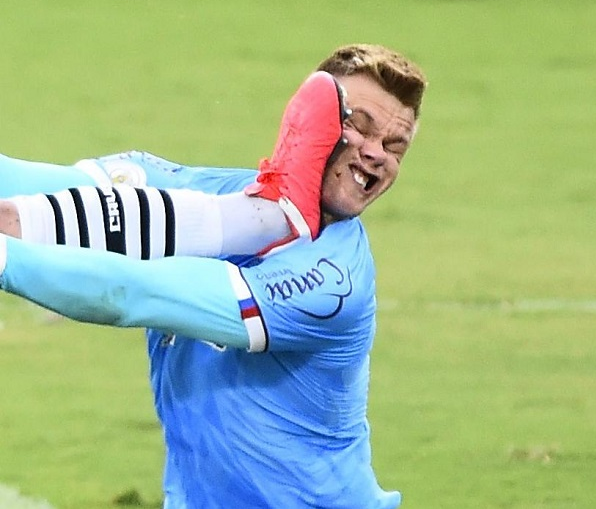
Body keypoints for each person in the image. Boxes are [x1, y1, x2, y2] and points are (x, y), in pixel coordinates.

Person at [0, 44, 427, 508]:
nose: (375, 154)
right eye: (358, 126)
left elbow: (132, 294)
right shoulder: (209, 193)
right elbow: (45, 186)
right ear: (312, 120)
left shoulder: (334, 280)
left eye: (393, 146)